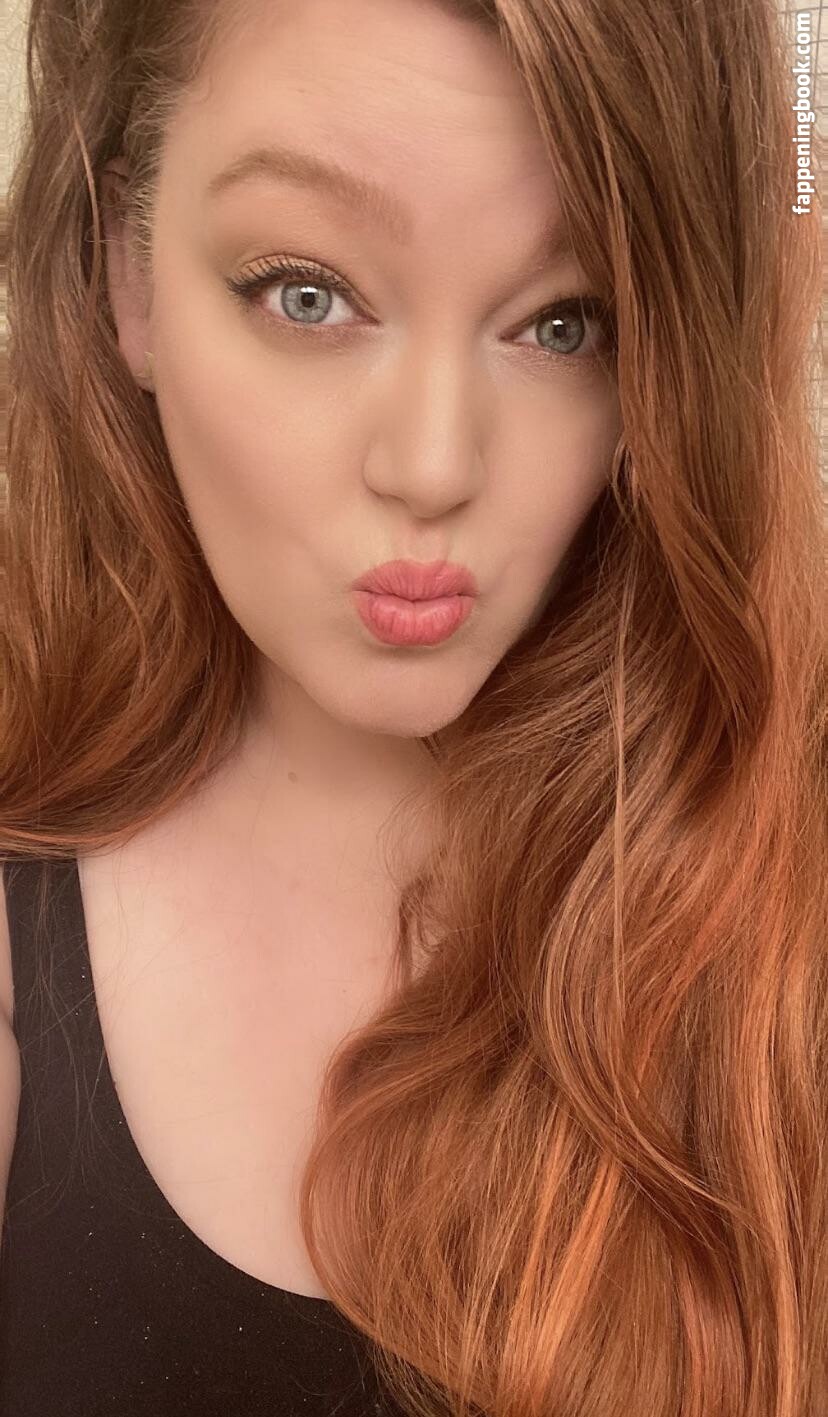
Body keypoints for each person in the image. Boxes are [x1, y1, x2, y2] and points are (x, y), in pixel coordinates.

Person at [0, 0, 824, 1413]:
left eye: (563, 322)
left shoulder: (780, 924)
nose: (435, 464)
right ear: (127, 280)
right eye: (307, 294)